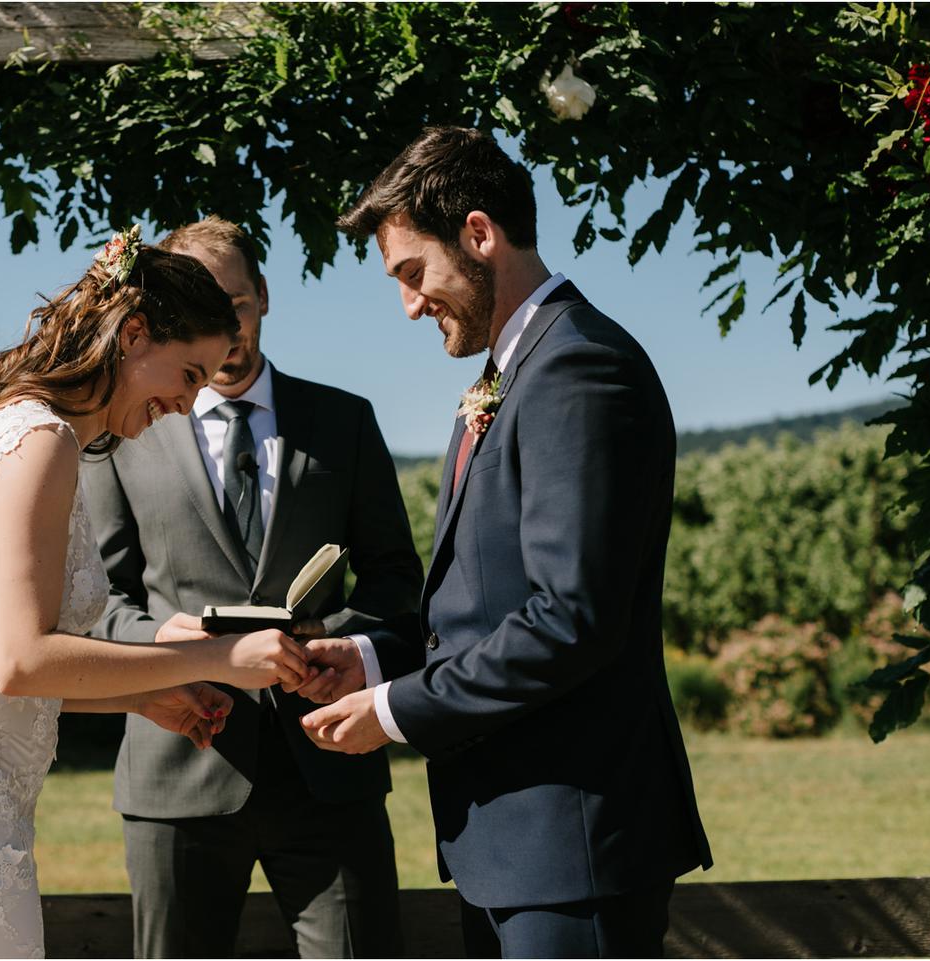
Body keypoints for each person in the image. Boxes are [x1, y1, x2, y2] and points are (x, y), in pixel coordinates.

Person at [0, 230, 313, 959]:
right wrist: (219, 656)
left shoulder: (17, 429)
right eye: (188, 374)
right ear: (134, 334)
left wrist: (139, 696)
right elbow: (22, 661)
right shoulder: (40, 440)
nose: (186, 404)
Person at [302, 126, 714, 958]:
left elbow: (570, 619)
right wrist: (375, 661)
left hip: (575, 842)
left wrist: (393, 710)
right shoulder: (513, 374)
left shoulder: (577, 369)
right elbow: (489, 607)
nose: (410, 305)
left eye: (413, 273)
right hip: (514, 848)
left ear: (480, 234)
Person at [82, 217, 425, 959]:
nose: (227, 330)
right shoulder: (121, 434)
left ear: (264, 295)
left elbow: (397, 577)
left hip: (330, 759)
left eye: (236, 305)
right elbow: (101, 599)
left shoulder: (344, 421)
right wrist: (167, 645)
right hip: (178, 762)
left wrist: (341, 642)